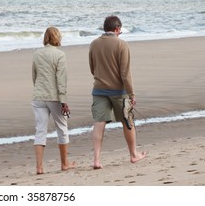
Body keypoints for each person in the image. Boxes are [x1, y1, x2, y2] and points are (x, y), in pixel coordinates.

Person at [89, 15, 147, 169]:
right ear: (117, 29)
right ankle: (133, 154)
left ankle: (96, 160)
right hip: (118, 90)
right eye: (120, 30)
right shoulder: (122, 45)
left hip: (99, 89)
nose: (120, 33)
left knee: (99, 122)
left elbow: (92, 68)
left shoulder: (94, 44)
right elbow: (125, 74)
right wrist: (131, 94)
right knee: (127, 122)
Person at [31, 26, 76, 175]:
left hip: (39, 95)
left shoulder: (37, 53)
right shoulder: (60, 55)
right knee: (62, 128)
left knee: (40, 130)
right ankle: (64, 163)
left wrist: (38, 89)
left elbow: (34, 75)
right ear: (58, 38)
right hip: (55, 97)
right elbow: (61, 79)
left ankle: (39, 167)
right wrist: (64, 101)